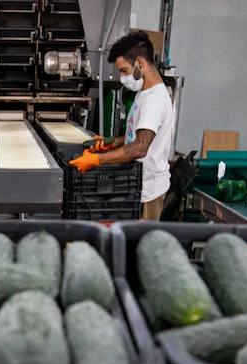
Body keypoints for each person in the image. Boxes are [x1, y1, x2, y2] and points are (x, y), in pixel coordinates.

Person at [68, 29, 176, 221]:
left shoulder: (154, 100)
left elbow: (140, 147)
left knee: (140, 245)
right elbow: (137, 136)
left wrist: (97, 160)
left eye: (124, 70)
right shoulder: (144, 94)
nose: (122, 77)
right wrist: (113, 142)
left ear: (140, 63)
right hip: (139, 185)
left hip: (149, 191)